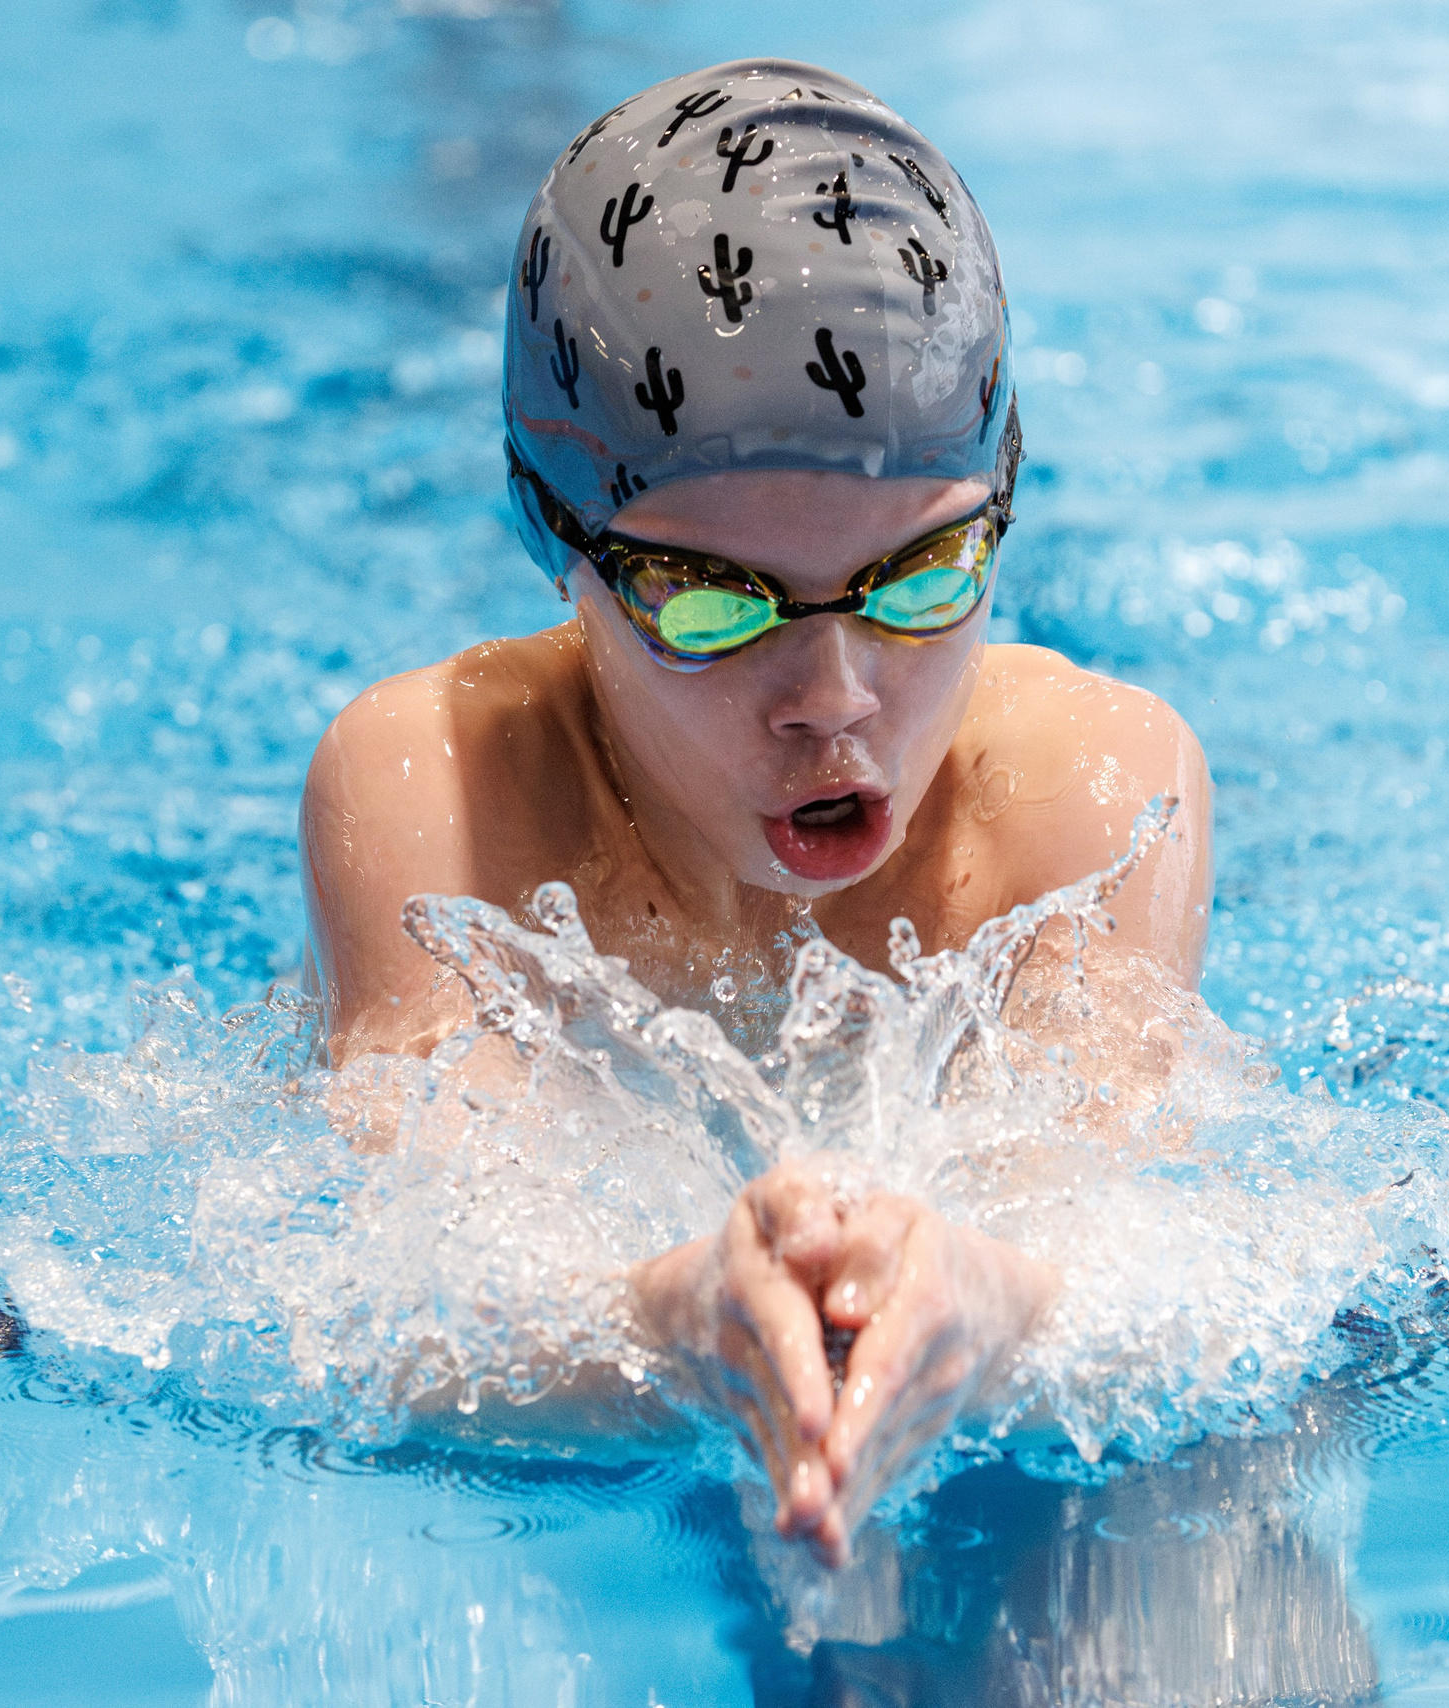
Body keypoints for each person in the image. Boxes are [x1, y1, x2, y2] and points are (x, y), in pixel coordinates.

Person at [300, 59, 1212, 1569]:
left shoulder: (1094, 798)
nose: (837, 696)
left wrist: (997, 1305)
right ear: (558, 545)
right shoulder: (437, 797)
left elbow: (1135, 1250)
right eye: (712, 605)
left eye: (924, 578)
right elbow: (410, 1291)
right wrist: (660, 1324)